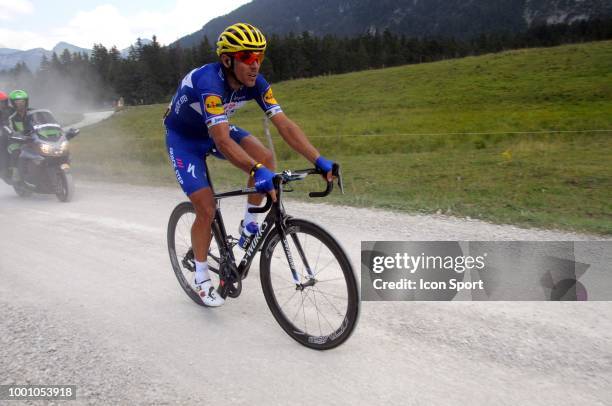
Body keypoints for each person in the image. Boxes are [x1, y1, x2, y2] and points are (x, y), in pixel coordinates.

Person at [164, 22, 335, 307]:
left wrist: (319, 159)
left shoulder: (257, 84)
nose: (255, 65)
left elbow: (284, 125)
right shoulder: (209, 82)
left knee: (266, 156)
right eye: (247, 57)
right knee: (206, 208)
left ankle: (250, 225)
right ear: (227, 60)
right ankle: (202, 276)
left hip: (215, 128)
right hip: (185, 139)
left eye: (259, 57)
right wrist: (255, 172)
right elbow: (221, 141)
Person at [7, 90, 33, 182]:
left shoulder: (33, 112)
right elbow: (11, 131)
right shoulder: (12, 117)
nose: (20, 104)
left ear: (26, 102)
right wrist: (17, 136)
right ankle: (16, 174)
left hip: (33, 139)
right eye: (17, 102)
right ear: (13, 104)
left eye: (22, 101)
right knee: (16, 152)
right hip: (18, 141)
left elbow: (43, 122)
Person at [0, 91, 12, 180]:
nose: (2, 104)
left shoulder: (11, 109)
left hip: (15, 134)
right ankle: (4, 170)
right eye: (0, 102)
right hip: (3, 136)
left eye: (3, 102)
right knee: (3, 149)